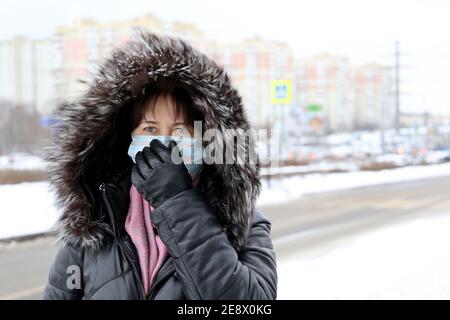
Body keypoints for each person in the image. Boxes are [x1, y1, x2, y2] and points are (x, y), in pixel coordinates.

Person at [42, 29, 277, 300]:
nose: (164, 143)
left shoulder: (242, 223)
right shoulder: (96, 220)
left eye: (180, 131)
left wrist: (176, 200)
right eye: (150, 128)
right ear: (126, 138)